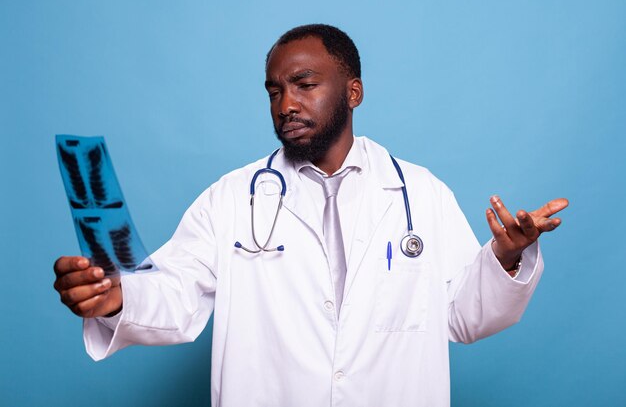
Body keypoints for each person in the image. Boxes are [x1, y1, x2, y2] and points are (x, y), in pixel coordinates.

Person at [53, 24, 568, 406]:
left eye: (304, 84)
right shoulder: (232, 198)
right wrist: (117, 296)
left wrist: (503, 258)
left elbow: (463, 315)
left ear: (353, 92)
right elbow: (176, 292)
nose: (285, 105)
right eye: (275, 91)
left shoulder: (420, 194)